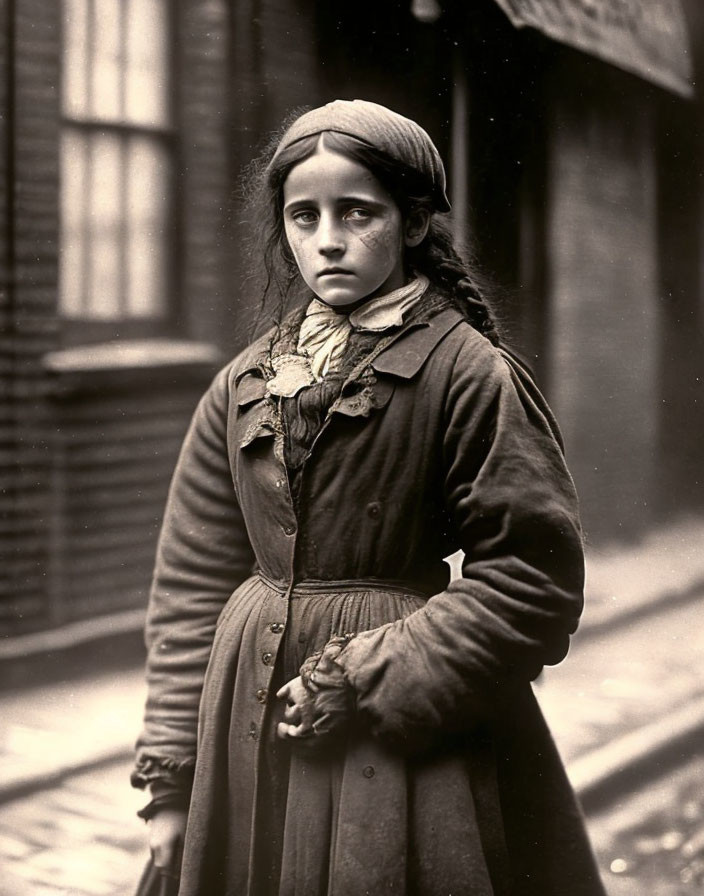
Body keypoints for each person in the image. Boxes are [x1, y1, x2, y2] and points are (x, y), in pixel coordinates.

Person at [132, 99, 606, 896]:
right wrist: (173, 777)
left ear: (414, 223)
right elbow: (189, 584)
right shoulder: (245, 380)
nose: (327, 240)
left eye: (359, 213)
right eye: (303, 215)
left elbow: (534, 577)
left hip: (396, 738)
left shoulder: (466, 372)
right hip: (244, 738)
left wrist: (363, 676)